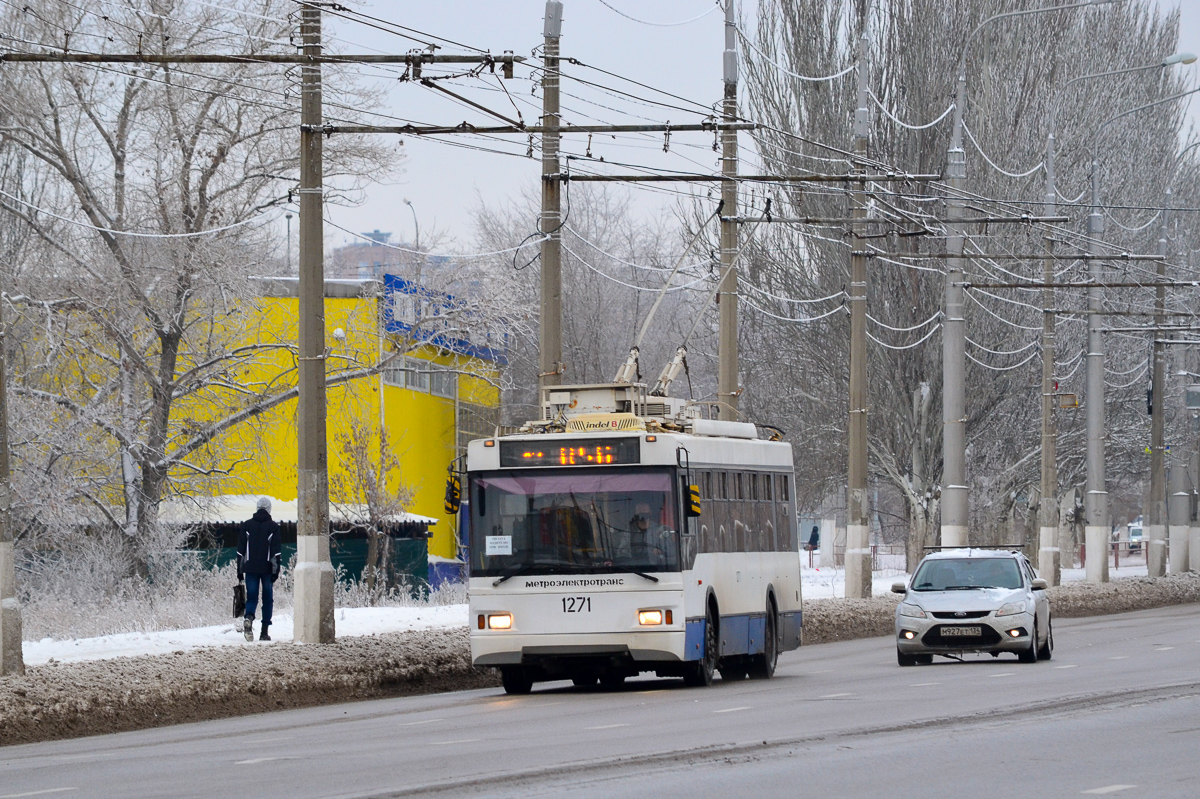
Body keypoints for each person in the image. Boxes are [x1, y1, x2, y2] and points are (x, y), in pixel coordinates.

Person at [238, 496, 282, 641]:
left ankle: (249, 618)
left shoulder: (246, 526)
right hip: (267, 569)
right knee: (267, 599)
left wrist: (239, 571)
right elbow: (276, 552)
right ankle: (264, 632)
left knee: (252, 597)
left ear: (257, 508)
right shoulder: (273, 527)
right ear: (269, 509)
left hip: (250, 568)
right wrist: (276, 571)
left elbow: (241, 551)